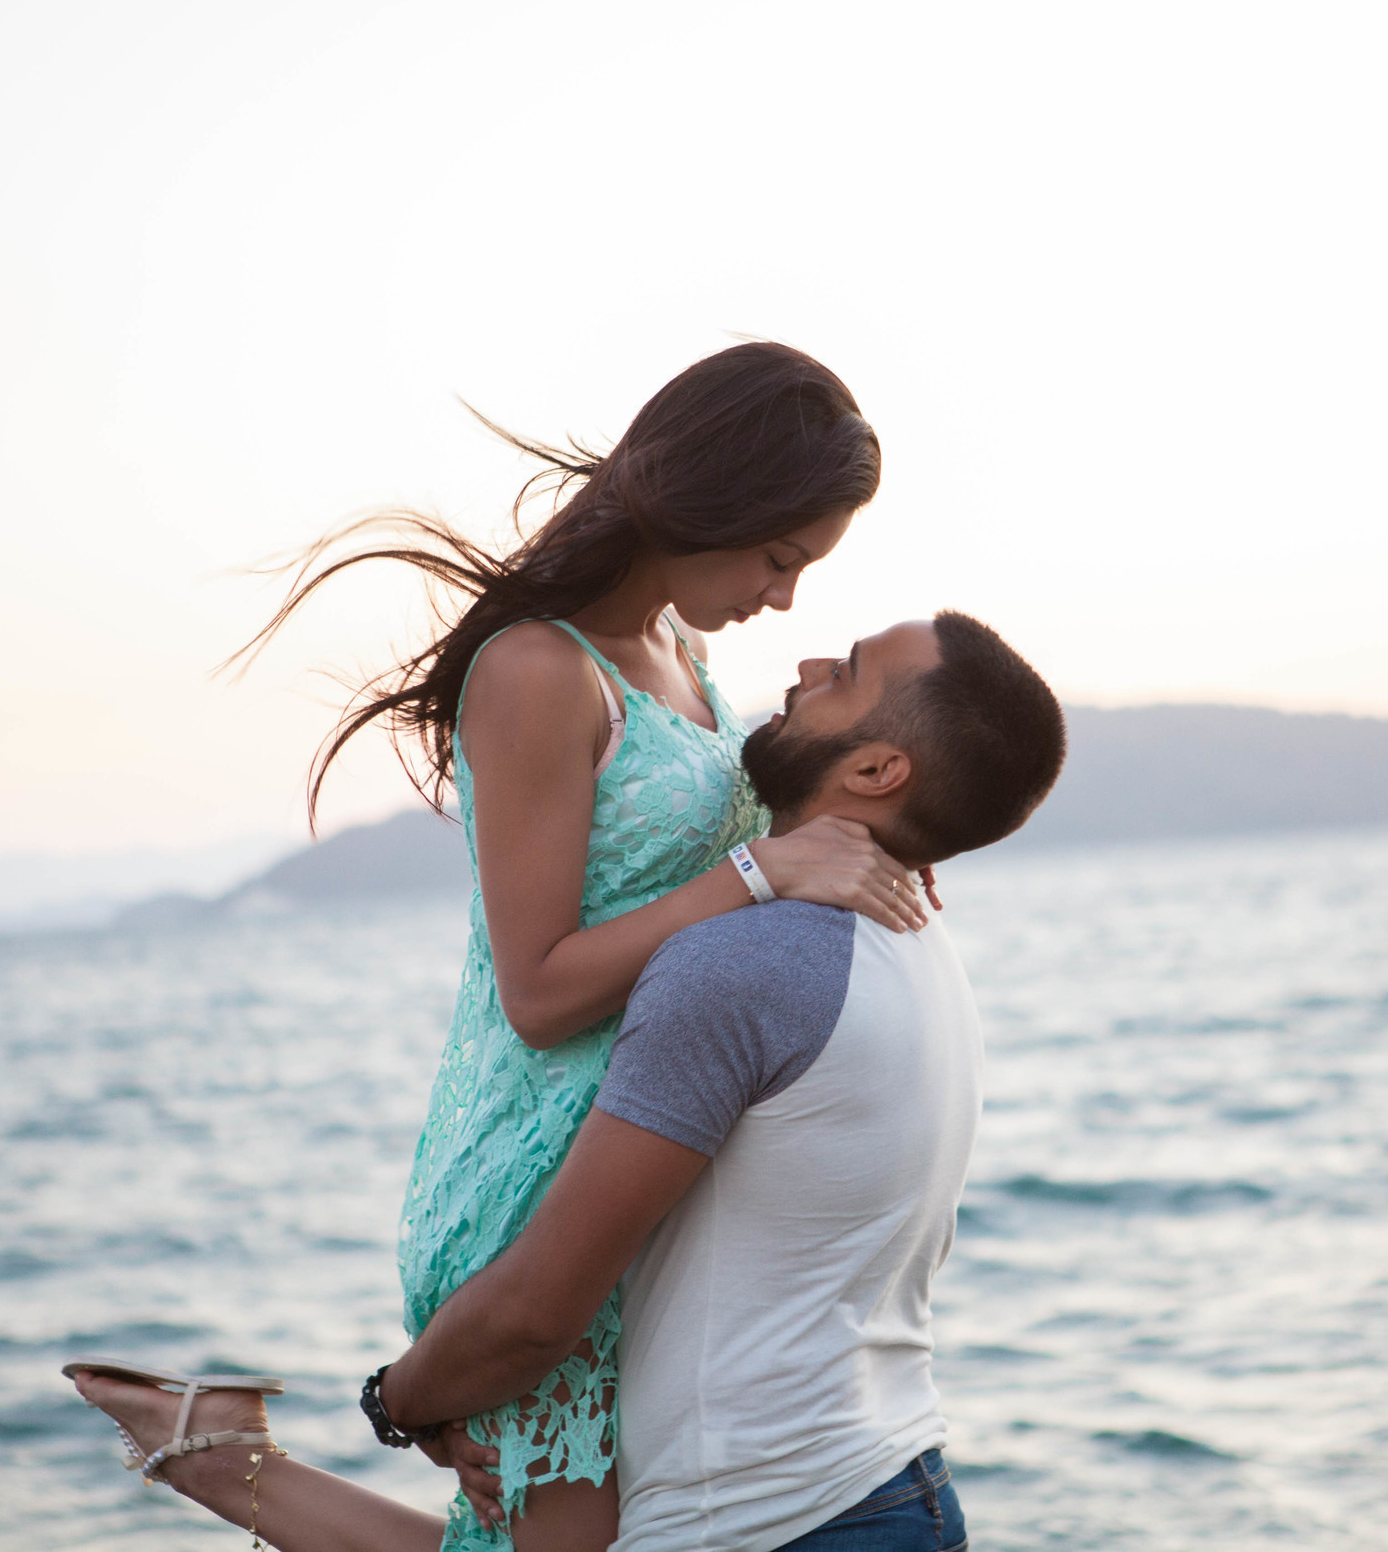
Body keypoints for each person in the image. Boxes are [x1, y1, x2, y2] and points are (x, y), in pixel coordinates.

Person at [72, 610, 1068, 1552]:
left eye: (845, 673)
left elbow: (537, 1312)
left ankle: (215, 1460)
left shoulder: (738, 969)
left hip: (772, 1525)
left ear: (878, 767)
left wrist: (398, 1400)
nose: (806, 666)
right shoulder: (917, 943)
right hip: (892, 1485)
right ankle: (215, 1457)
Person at [232, 343, 931, 1551]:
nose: (784, 600)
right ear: (710, 501)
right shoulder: (536, 670)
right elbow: (540, 992)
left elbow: (713, 882)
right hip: (538, 1179)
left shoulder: (686, 655)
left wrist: (865, 847)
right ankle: (225, 1466)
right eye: (780, 559)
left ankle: (222, 1462)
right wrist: (764, 870)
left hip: (646, 1149)